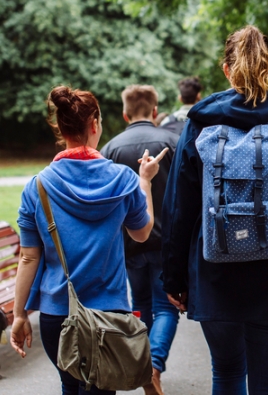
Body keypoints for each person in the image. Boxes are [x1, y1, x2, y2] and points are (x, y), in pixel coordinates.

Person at [161, 25, 268, 395]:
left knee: (225, 374)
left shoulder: (198, 125)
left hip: (214, 275)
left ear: (226, 69)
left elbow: (179, 206)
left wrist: (174, 276)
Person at [10, 86, 167, 395]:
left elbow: (29, 258)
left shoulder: (37, 187)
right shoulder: (123, 179)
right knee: (102, 388)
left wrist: (18, 315)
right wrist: (145, 182)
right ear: (94, 124)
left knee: (70, 387)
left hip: (59, 314)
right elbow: (142, 232)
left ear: (61, 127)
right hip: (110, 315)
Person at [101, 85, 179, 395]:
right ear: (156, 111)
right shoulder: (173, 142)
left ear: (124, 113)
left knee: (141, 305)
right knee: (167, 308)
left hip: (129, 243)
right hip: (167, 243)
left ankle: (145, 364)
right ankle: (154, 365)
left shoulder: (111, 149)